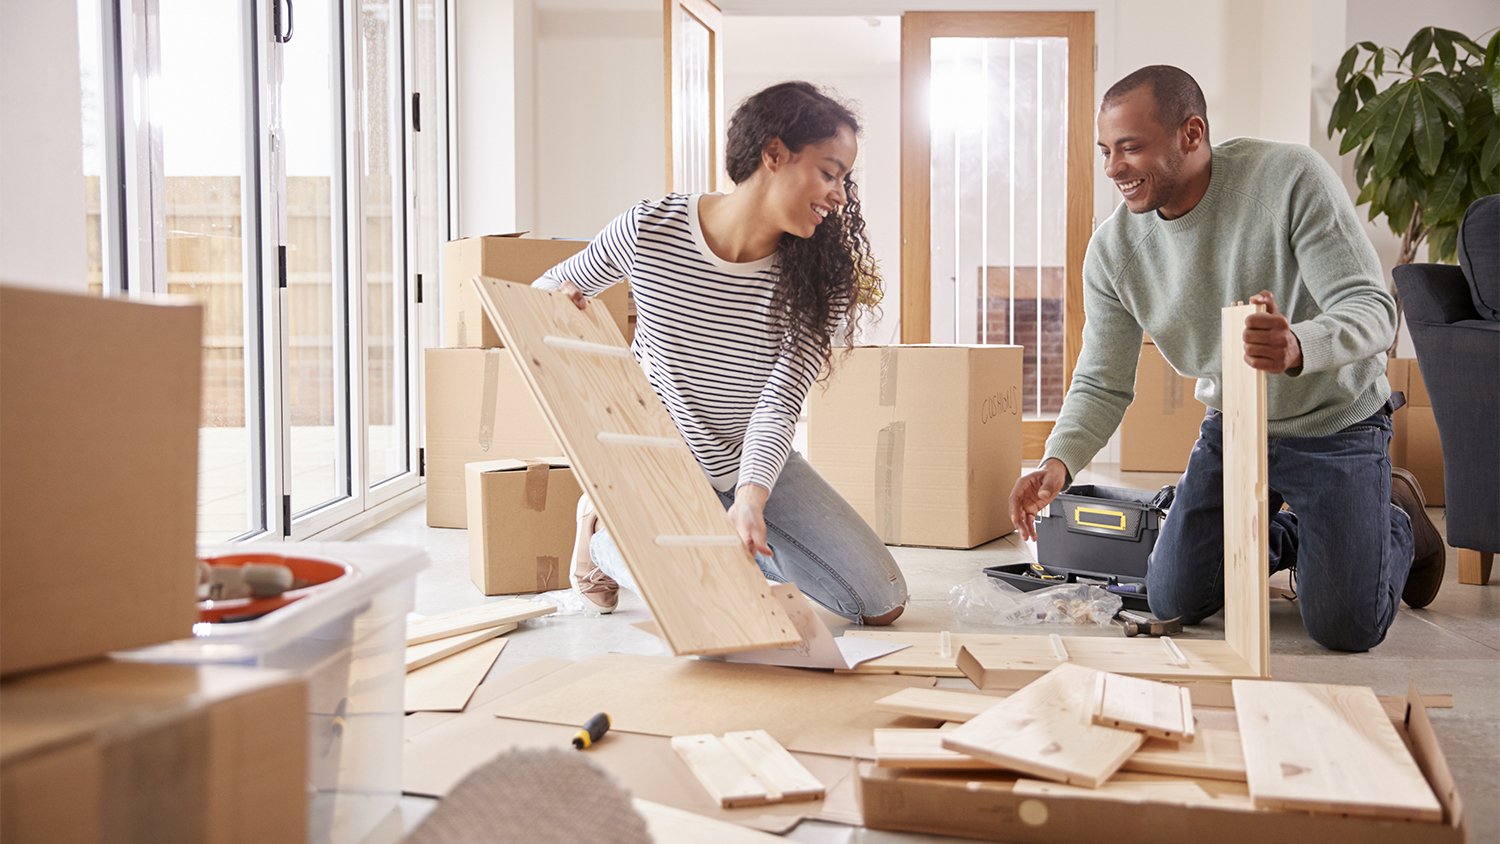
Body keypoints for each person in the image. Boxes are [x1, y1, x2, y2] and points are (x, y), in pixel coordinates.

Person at [1007, 65, 1445, 652]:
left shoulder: (1289, 178)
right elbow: (1102, 379)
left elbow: (1372, 308)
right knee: (1172, 599)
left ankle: (1395, 520)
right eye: (1106, 150)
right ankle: (1305, 536)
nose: (1113, 169)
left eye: (1131, 147)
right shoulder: (1114, 252)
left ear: (1192, 133)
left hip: (1336, 421)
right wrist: (1057, 462)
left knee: (1345, 627)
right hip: (1234, 427)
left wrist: (1297, 345)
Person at [534, 81, 908, 626]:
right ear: (774, 154)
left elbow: (778, 405)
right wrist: (560, 303)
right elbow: (549, 288)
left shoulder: (816, 281)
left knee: (879, 602)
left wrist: (751, 500)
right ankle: (597, 533)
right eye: (830, 173)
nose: (842, 195)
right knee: (712, 602)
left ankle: (707, 528)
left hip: (740, 461)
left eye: (845, 179)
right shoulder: (652, 230)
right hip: (652, 458)